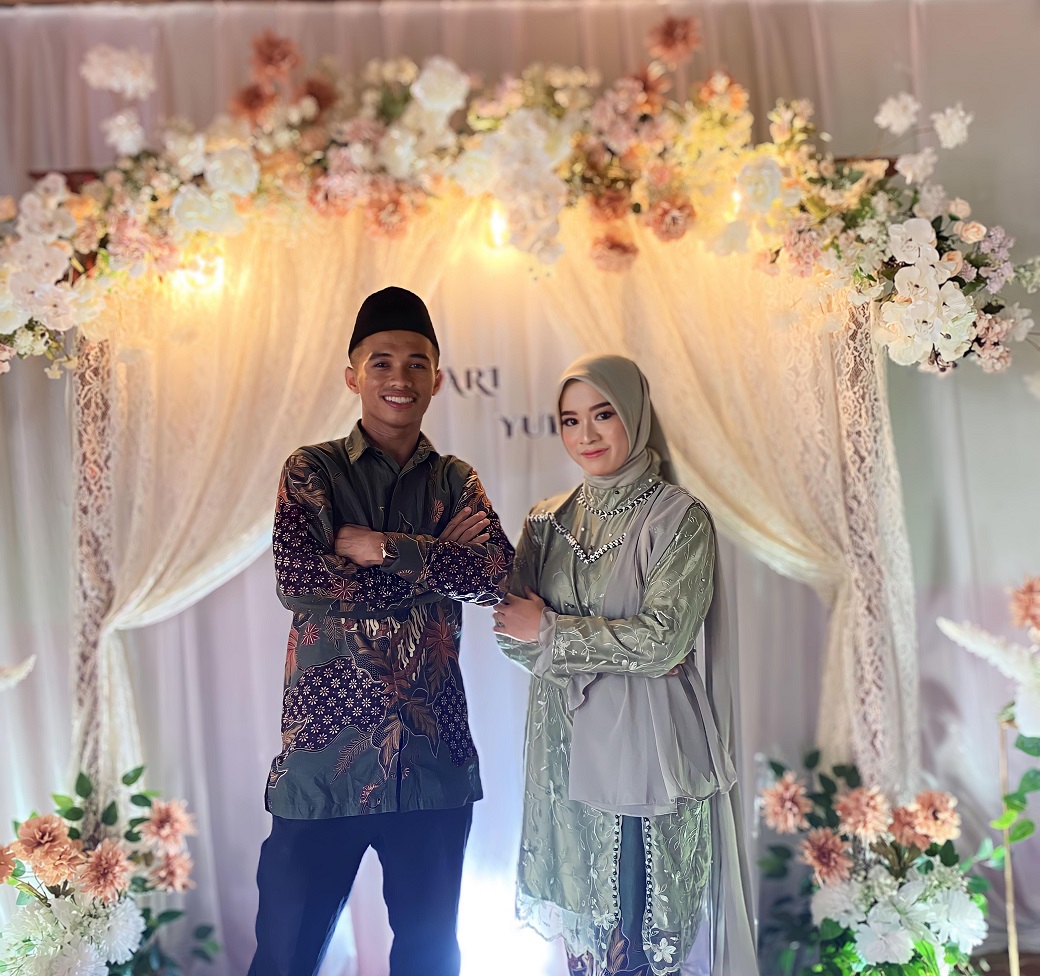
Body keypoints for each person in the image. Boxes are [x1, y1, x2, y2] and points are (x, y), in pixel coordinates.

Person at [250, 286, 514, 976]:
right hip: (323, 763)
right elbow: (301, 582)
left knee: (430, 959)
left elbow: (496, 577)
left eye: (417, 363)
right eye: (382, 363)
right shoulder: (312, 470)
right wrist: (437, 558)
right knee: (283, 960)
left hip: (431, 766)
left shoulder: (455, 480)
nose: (400, 378)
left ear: (437, 378)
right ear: (353, 376)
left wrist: (380, 547)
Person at [493, 354, 758, 976]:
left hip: (644, 752)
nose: (586, 435)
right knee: (584, 943)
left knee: (634, 938)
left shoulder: (678, 517)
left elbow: (664, 639)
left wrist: (552, 632)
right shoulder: (546, 521)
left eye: (603, 414)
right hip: (564, 748)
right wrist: (617, 650)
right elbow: (511, 634)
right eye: (570, 420)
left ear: (634, 415)